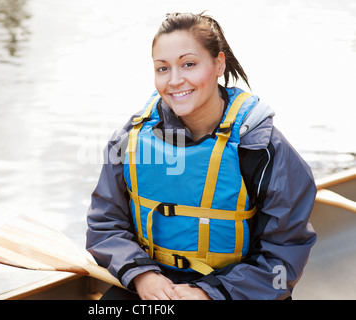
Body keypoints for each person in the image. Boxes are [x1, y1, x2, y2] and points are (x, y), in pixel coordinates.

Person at [86, 12, 317, 300]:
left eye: (189, 64)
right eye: (162, 68)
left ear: (218, 63)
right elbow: (104, 224)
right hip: (152, 283)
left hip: (238, 290)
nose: (174, 80)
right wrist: (141, 275)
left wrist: (209, 294)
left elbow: (282, 259)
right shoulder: (130, 139)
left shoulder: (263, 147)